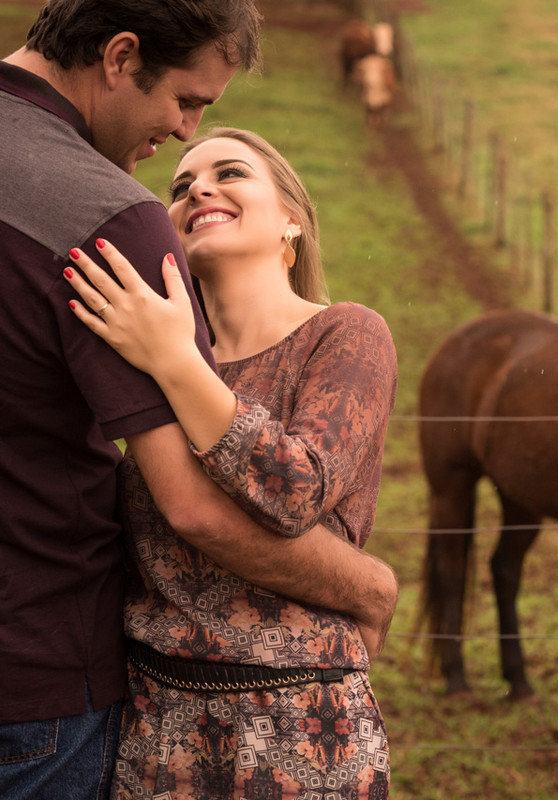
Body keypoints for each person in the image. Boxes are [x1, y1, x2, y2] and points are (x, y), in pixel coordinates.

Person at [0, 4, 397, 798]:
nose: (192, 167)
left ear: (292, 220)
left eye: (230, 172)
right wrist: (369, 588)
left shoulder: (346, 334)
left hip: (297, 723)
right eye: (181, 186)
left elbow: (297, 491)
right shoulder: (136, 306)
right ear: (120, 58)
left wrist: (179, 364)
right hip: (158, 720)